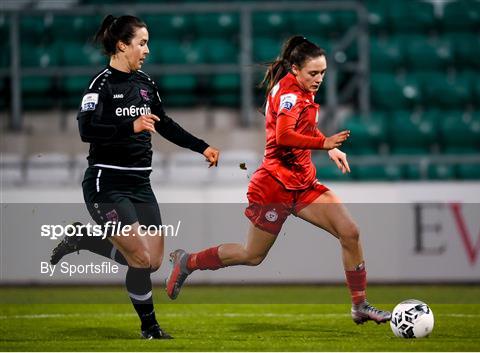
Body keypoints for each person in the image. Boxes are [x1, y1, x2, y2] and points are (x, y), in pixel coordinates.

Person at [166, 36, 391, 325]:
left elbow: (302, 127)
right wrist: (324, 143)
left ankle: (359, 305)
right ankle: (188, 261)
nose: (319, 78)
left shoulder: (301, 89)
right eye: (313, 73)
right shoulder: (289, 95)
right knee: (252, 255)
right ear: (295, 69)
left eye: (323, 72)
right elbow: (284, 135)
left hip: (303, 183)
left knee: (350, 231)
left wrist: (330, 148)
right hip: (274, 186)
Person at [49, 15, 220, 339]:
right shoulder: (100, 85)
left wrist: (202, 147)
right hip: (106, 182)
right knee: (139, 258)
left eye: (147, 43)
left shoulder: (144, 84)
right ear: (121, 45)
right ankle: (150, 328)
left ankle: (83, 239)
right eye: (141, 43)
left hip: (140, 183)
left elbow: (164, 123)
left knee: (152, 261)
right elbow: (86, 130)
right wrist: (131, 126)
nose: (147, 50)